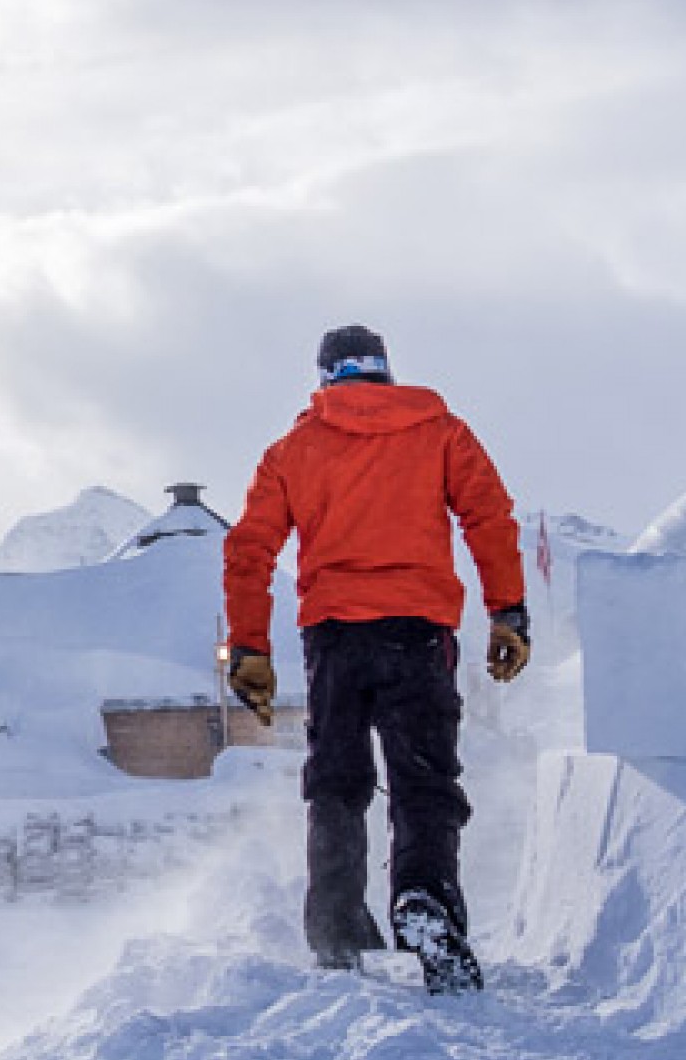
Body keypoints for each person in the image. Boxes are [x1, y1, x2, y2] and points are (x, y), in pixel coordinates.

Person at [222, 324, 531, 992]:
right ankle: (424, 902)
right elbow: (488, 517)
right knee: (423, 779)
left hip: (334, 636)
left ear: (326, 375)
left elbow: (249, 548)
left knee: (337, 779)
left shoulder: (292, 450)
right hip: (418, 633)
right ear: (386, 372)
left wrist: (249, 646)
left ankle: (335, 921)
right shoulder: (442, 432)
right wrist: (508, 610)